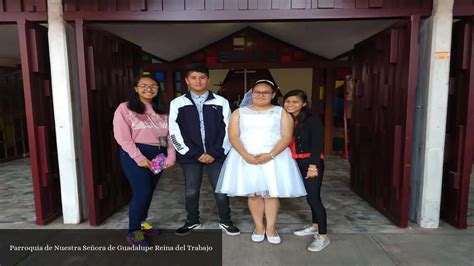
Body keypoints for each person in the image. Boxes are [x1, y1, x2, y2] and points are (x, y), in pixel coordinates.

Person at [216, 80, 307, 245]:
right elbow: (233, 135)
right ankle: (259, 227)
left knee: (271, 194)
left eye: (266, 92)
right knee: (254, 195)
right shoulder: (239, 112)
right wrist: (245, 154)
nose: (261, 95)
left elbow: (287, 136)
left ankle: (271, 228)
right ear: (251, 93)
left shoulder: (281, 112)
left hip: (274, 157)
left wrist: (271, 155)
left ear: (273, 94)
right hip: (245, 156)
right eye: (257, 92)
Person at [168, 63, 240, 236]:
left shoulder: (220, 101)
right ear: (187, 80)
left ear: (208, 79)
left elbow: (229, 129)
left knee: (221, 190)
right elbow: (174, 131)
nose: (198, 81)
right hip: (190, 156)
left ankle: (226, 221)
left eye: (202, 77)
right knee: (191, 190)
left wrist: (215, 152)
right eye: (193, 78)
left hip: (216, 155)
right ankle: (192, 221)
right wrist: (195, 153)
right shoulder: (178, 102)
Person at [113, 74, 176, 246]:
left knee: (149, 191)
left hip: (159, 155)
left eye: (153, 86)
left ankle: (142, 224)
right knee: (142, 192)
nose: (149, 89)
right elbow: (122, 137)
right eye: (144, 85)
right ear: (136, 88)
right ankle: (134, 233)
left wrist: (171, 156)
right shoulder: (125, 108)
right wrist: (139, 157)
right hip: (136, 155)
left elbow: (170, 136)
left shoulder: (162, 110)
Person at [283, 89, 330, 252]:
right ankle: (315, 225)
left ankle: (323, 236)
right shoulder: (287, 118)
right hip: (295, 161)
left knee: (314, 198)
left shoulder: (312, 119)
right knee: (309, 198)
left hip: (310, 162)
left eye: (295, 102)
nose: (290, 104)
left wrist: (313, 166)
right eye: (287, 101)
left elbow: (318, 144)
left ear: (304, 104)